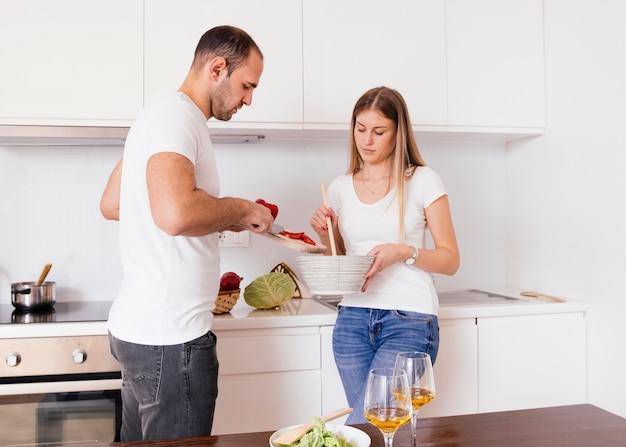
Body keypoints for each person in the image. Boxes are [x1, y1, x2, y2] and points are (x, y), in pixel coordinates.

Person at [99, 26, 275, 441]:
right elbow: (175, 214)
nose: (249, 98)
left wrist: (216, 215)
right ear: (217, 68)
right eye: (247, 85)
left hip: (143, 332)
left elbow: (115, 202)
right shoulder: (178, 118)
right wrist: (241, 207)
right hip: (170, 340)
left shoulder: (155, 116)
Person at [309, 86, 460, 424]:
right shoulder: (339, 187)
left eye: (379, 131)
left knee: (376, 420)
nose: (367, 140)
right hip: (351, 321)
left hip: (408, 319)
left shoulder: (422, 181)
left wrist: (404, 252)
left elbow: (450, 259)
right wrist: (326, 233)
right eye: (360, 129)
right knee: (367, 425)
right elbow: (343, 262)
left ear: (398, 133)